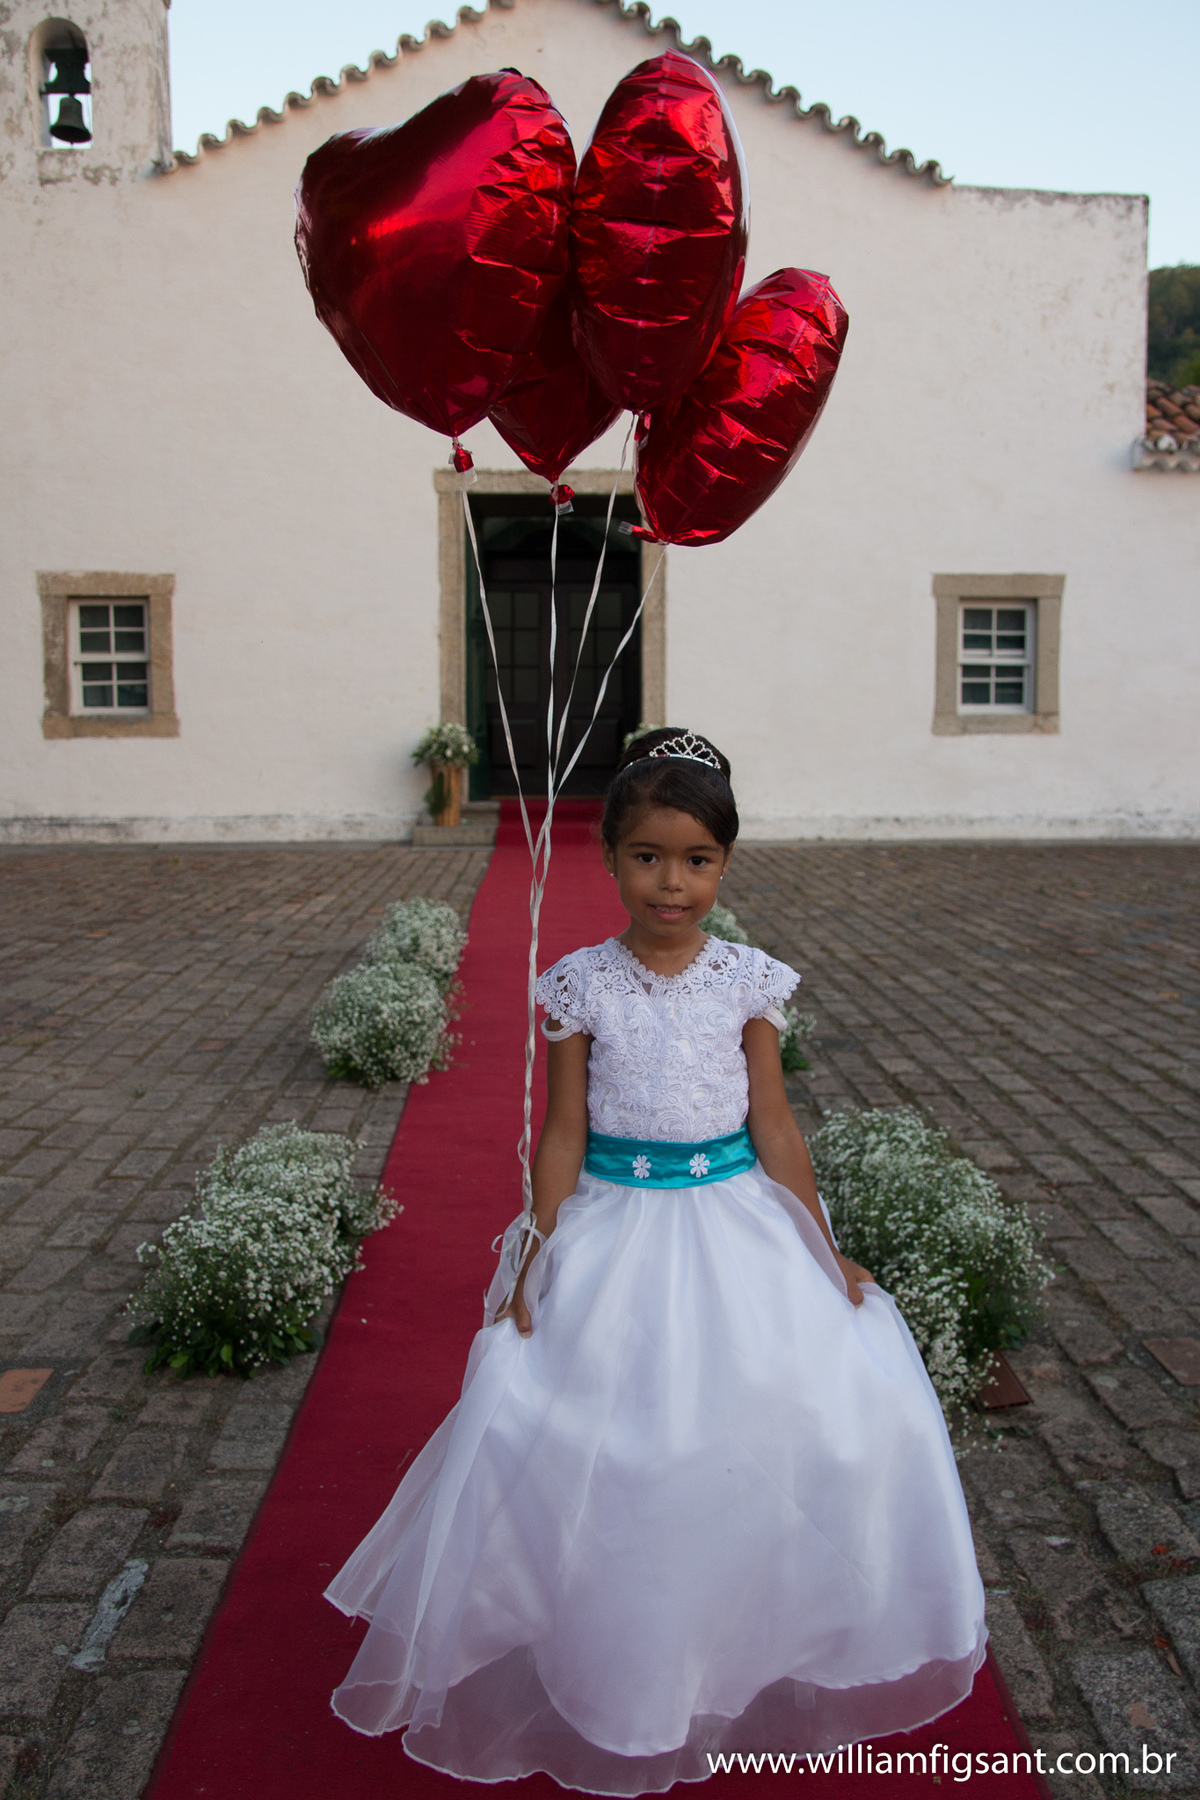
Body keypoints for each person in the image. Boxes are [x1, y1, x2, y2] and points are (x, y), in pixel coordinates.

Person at [325, 729, 986, 1794]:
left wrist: (825, 1247)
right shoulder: (579, 984)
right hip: (615, 1222)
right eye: (646, 856)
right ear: (612, 858)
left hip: (736, 1222)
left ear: (725, 864)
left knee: (791, 1416)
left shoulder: (748, 982)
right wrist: (535, 1249)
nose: (670, 883)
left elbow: (774, 1124)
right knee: (589, 1430)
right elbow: (562, 1132)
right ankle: (612, 1646)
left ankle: (750, 1626)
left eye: (696, 860)